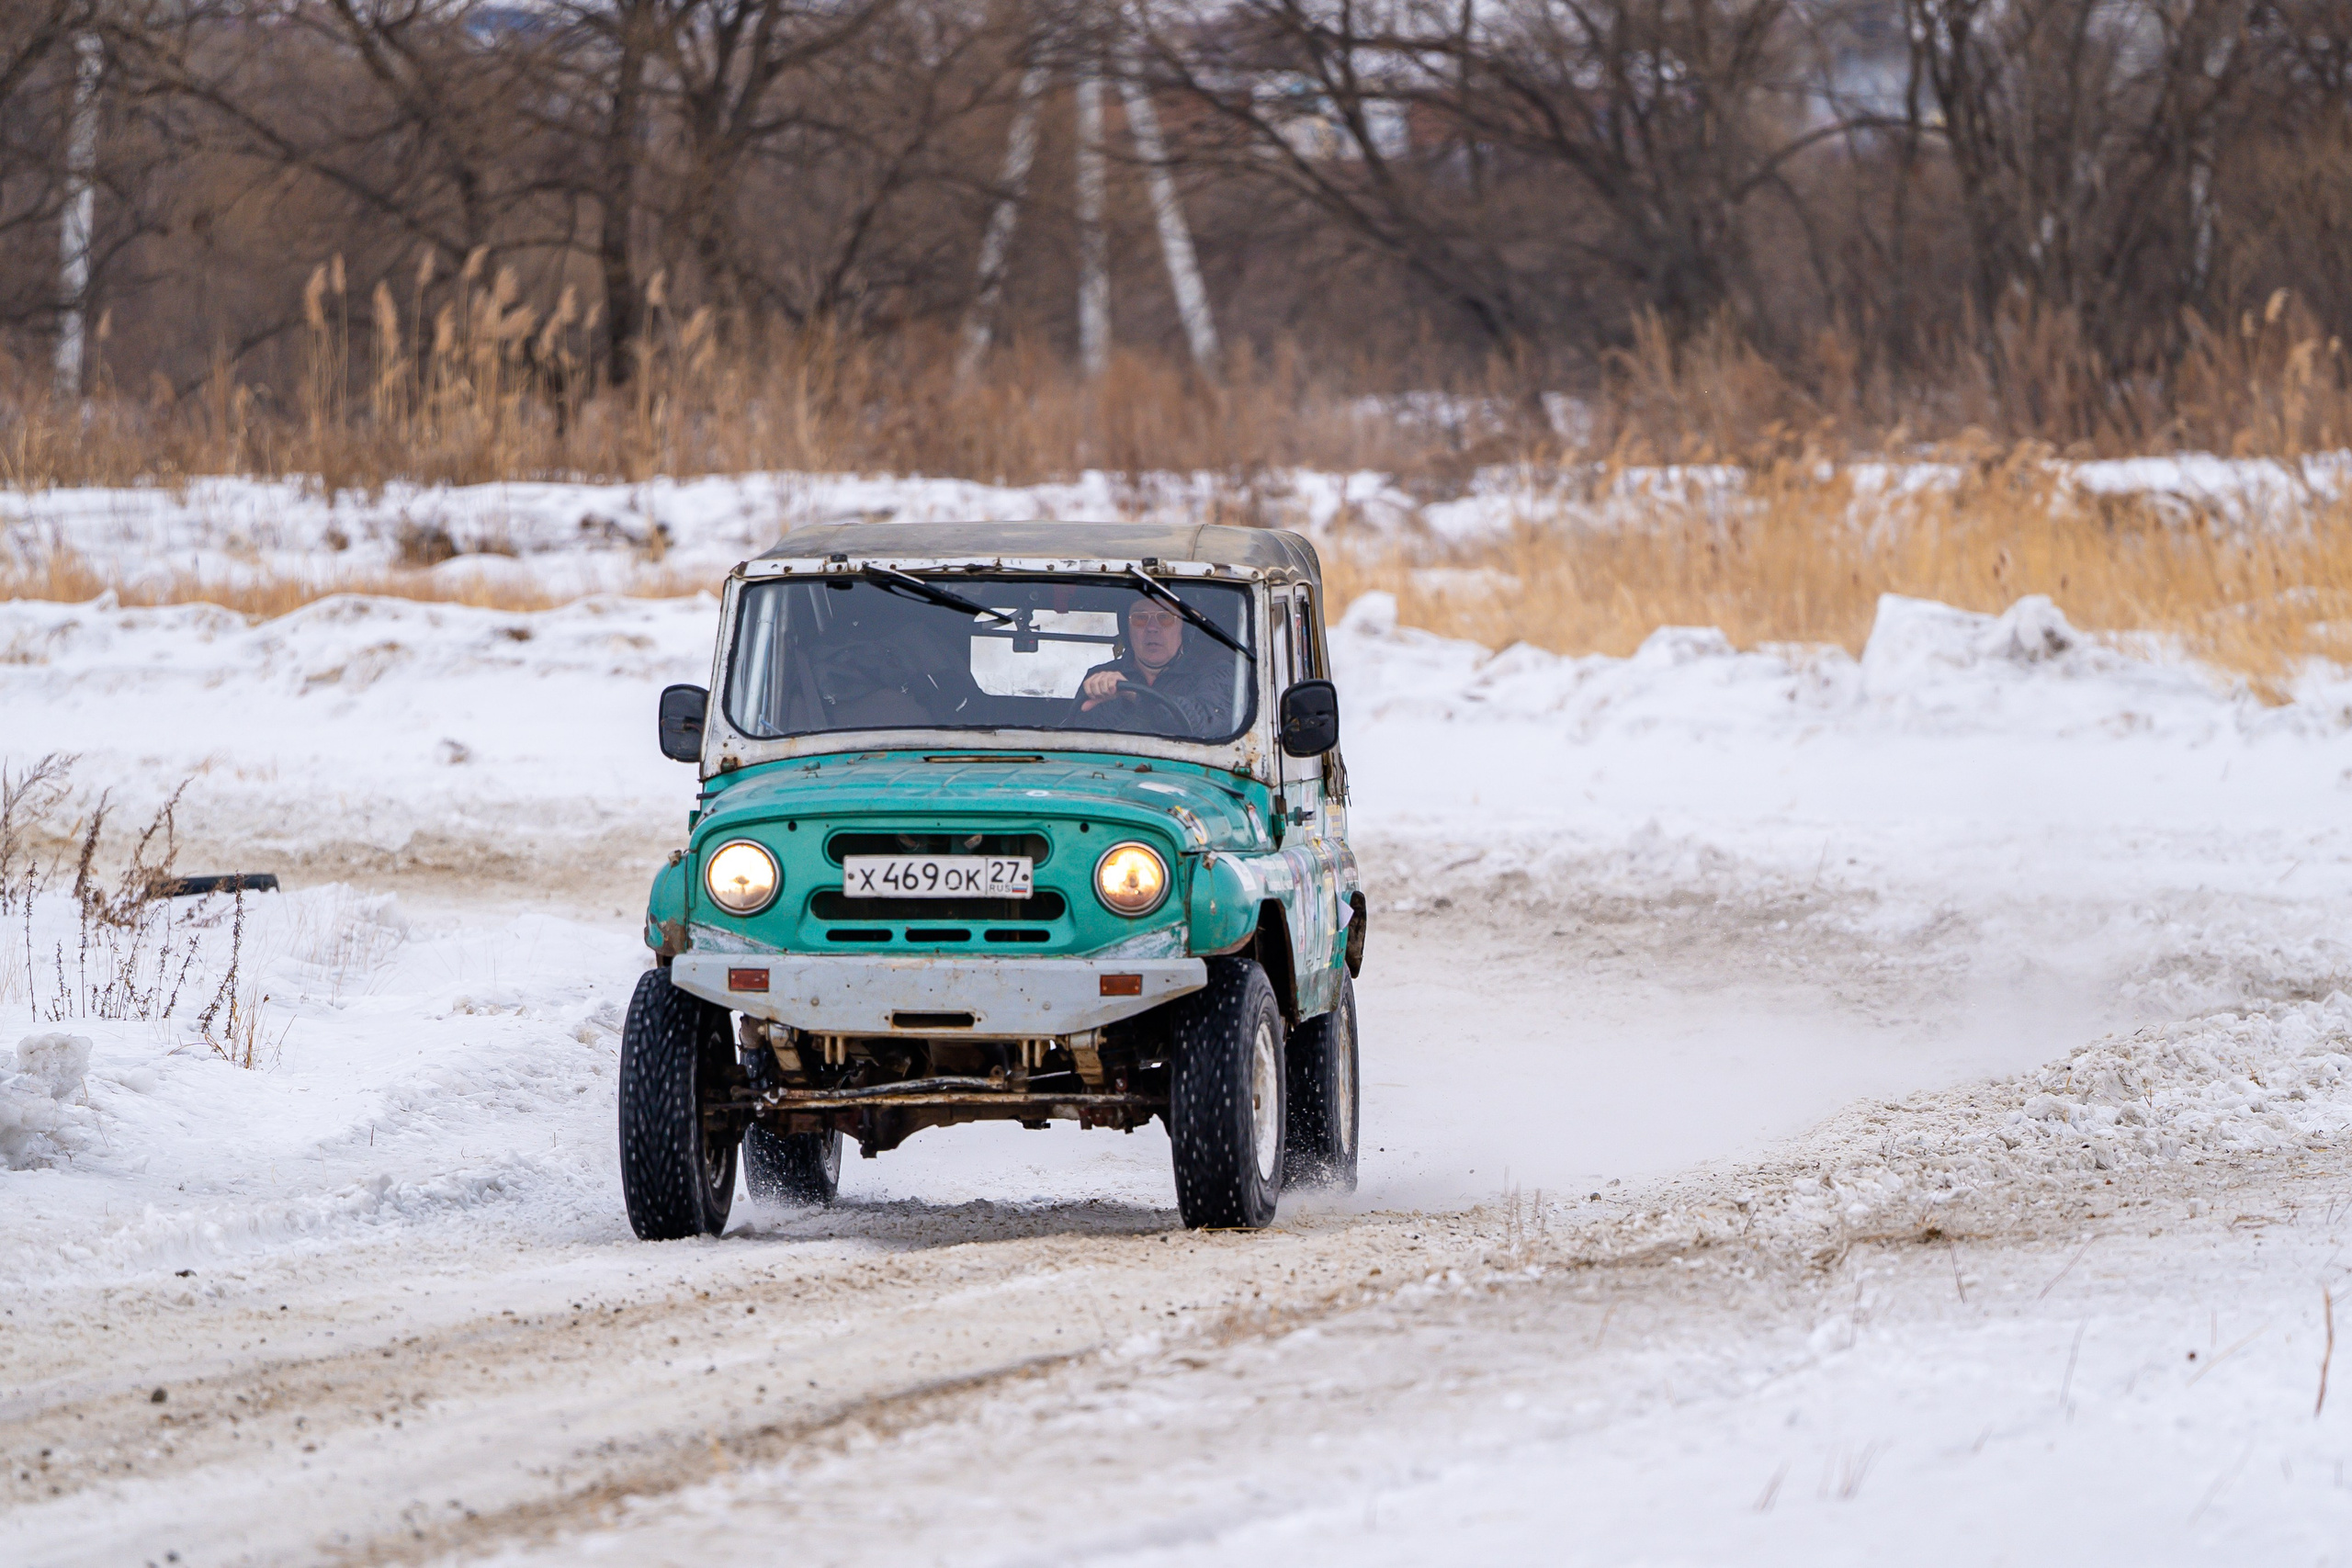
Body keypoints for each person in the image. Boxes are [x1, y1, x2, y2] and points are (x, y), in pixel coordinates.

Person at [1078, 595, 1237, 736]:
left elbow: (1205, 726)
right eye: (1140, 618)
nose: (1152, 628)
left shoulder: (1217, 674)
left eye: (1165, 617)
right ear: (1127, 628)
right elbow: (1075, 741)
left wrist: (1135, 695)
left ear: (1183, 628)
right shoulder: (1098, 677)